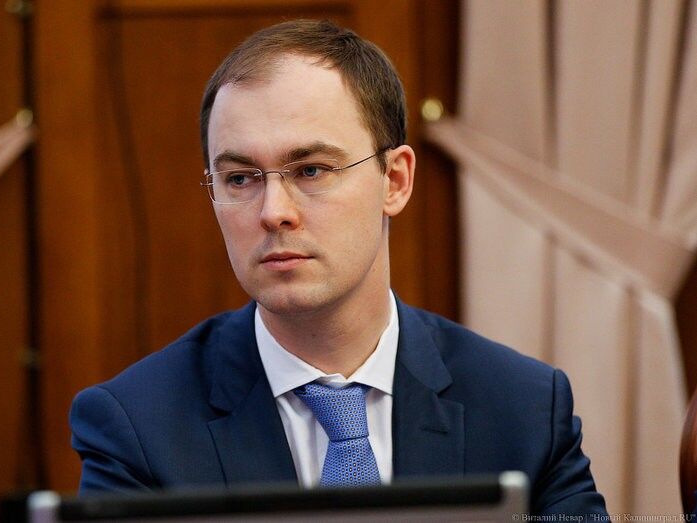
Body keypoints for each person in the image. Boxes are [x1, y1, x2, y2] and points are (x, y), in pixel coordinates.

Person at [70, 19, 607, 516]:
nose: (273, 212)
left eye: (311, 170)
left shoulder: (523, 409)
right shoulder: (137, 427)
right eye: (240, 179)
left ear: (395, 180)